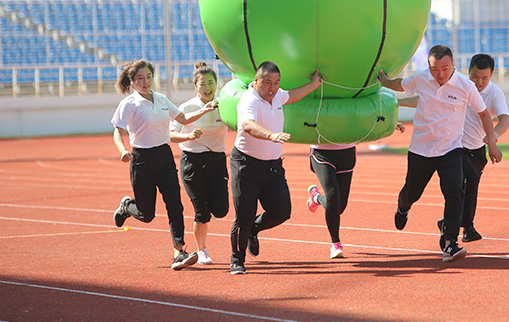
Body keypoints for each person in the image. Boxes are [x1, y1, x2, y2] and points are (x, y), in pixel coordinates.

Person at [379, 44, 502, 263]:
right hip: (421, 150)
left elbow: (484, 114)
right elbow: (401, 84)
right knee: (412, 192)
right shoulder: (421, 78)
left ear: (453, 65)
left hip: (452, 149)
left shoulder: (465, 85)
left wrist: (491, 143)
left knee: (455, 191)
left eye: (445, 68)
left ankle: (450, 243)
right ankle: (402, 206)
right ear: (429, 67)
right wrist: (385, 82)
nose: (440, 74)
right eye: (435, 69)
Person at [111, 59, 218, 270]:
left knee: (175, 204)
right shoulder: (129, 104)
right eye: (140, 78)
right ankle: (126, 206)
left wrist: (205, 110)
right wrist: (123, 151)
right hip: (141, 159)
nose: (145, 82)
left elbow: (184, 118)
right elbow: (117, 131)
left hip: (164, 156)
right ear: (132, 81)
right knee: (146, 214)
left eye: (149, 77)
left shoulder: (161, 99)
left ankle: (179, 251)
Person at [229, 61, 322, 275]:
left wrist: (314, 84)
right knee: (244, 214)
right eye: (268, 83)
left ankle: (254, 229)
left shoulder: (277, 95)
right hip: (246, 165)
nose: (272, 88)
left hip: (272, 166)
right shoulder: (248, 100)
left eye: (276, 83)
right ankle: (237, 259)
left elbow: (290, 95)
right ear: (256, 81)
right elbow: (248, 125)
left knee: (282, 211)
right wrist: (271, 135)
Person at [306, 123, 406, 260]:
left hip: (347, 151)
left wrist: (388, 124)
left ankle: (316, 198)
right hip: (322, 151)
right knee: (333, 194)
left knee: (339, 206)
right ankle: (336, 243)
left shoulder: (350, 100)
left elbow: (363, 111)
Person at [169, 62, 229, 266]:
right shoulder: (187, 108)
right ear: (196, 86)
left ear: (216, 84)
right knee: (202, 211)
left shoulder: (225, 105)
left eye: (211, 82)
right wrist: (188, 135)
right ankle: (202, 250)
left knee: (221, 210)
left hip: (217, 161)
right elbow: (170, 134)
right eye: (202, 83)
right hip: (192, 162)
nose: (207, 87)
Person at [454, 53, 509, 242]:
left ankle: (450, 221)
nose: (479, 82)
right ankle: (466, 228)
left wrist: (493, 136)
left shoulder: (495, 93)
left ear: (491, 75)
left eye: (485, 78)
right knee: (465, 182)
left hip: (477, 149)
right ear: (468, 71)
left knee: (469, 186)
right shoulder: (459, 85)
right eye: (475, 76)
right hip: (455, 146)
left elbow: (504, 120)